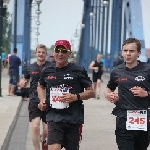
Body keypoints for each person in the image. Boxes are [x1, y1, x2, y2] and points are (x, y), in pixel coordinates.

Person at [37, 40, 95, 150]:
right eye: (57, 51)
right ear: (53, 53)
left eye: (64, 51)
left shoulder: (78, 70)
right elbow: (40, 86)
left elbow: (91, 92)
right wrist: (42, 100)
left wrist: (75, 97)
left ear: (69, 54)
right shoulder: (47, 70)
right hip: (54, 117)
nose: (60, 54)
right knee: (53, 148)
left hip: (73, 119)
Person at [104, 38, 150, 150]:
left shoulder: (148, 69)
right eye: (125, 50)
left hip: (143, 119)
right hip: (123, 118)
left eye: (132, 51)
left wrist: (147, 93)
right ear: (122, 52)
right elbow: (109, 88)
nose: (128, 54)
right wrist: (108, 95)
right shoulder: (116, 71)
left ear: (139, 53)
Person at [19, 44, 51, 150]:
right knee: (35, 126)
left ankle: (44, 141)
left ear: (46, 54)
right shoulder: (30, 67)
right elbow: (25, 79)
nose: (41, 54)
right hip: (34, 100)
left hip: (48, 101)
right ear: (36, 53)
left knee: (47, 130)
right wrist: (22, 82)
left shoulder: (52, 67)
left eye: (43, 52)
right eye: (39, 52)